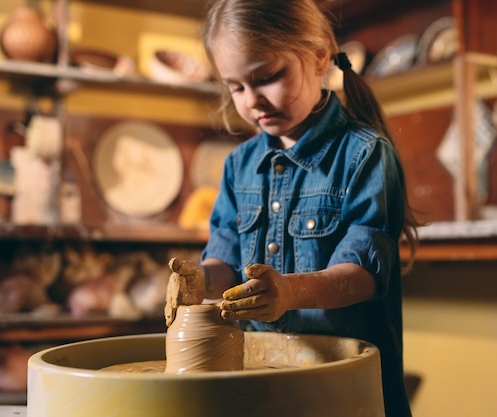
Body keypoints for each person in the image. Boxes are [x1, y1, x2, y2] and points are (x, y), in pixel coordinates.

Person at [164, 1, 420, 416]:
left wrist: (288, 292)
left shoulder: (365, 154)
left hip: (342, 385)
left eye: (267, 77)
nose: (252, 101)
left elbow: (364, 276)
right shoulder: (238, 165)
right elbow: (225, 259)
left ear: (319, 59)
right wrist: (200, 280)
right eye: (235, 87)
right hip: (261, 381)